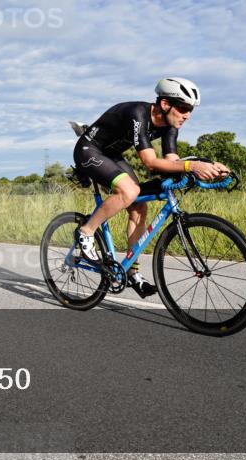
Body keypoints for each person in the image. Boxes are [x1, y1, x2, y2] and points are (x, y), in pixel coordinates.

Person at [73, 77, 228, 298]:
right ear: (165, 105)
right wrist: (193, 165)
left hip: (112, 155)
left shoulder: (171, 126)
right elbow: (150, 162)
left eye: (190, 110)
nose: (188, 115)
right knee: (129, 191)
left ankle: (132, 272)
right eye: (183, 108)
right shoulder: (138, 114)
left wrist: (209, 167)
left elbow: (172, 162)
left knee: (138, 207)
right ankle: (86, 232)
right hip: (90, 150)